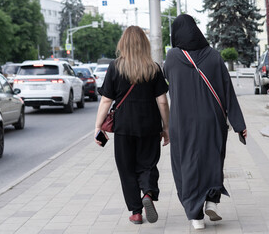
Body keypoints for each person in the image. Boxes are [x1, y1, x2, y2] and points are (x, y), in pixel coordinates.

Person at [163, 14, 247, 230]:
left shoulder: (172, 57)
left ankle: (195, 215)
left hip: (182, 123)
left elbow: (167, 79)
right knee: (212, 161)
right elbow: (228, 92)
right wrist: (239, 125)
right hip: (213, 121)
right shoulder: (214, 56)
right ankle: (211, 200)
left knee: (186, 165)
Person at [94, 26, 170, 225]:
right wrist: (166, 127)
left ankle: (136, 212)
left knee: (126, 169)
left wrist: (98, 126)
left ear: (123, 44)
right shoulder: (153, 68)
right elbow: (162, 101)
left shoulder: (115, 67)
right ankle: (149, 194)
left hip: (124, 127)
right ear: (144, 44)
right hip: (150, 126)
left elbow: (105, 101)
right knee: (148, 164)